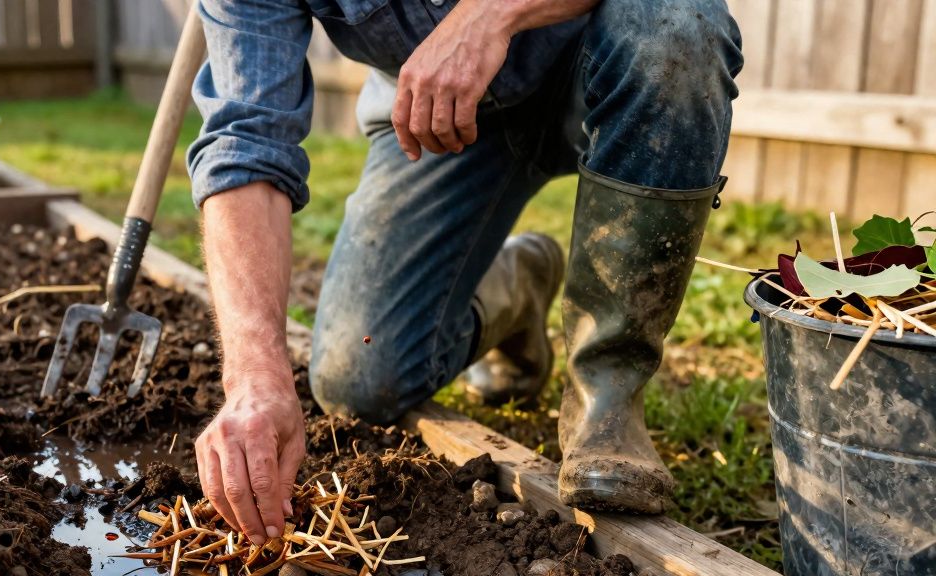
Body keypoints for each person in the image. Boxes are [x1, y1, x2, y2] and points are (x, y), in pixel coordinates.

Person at [186, 0, 743, 545]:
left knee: (679, 23)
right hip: (438, 122)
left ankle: (610, 398)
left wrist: (488, 14)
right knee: (360, 378)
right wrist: (254, 377)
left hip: (602, 62)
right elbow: (246, 143)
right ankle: (520, 287)